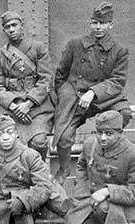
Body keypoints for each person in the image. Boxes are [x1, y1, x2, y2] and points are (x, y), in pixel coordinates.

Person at [53, 2, 132, 183]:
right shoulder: (75, 44)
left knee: (124, 113)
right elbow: (61, 73)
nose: (98, 27)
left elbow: (117, 81)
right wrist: (65, 96)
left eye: (102, 23)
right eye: (95, 23)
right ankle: (64, 169)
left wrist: (93, 92)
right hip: (74, 94)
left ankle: (106, 158)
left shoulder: (119, 50)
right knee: (64, 137)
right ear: (90, 23)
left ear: (110, 24)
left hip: (104, 96)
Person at [0, 115, 60, 224]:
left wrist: (23, 201)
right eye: (0, 133)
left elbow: (44, 186)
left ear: (17, 134)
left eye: (10, 132)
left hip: (24, 205)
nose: (5, 137)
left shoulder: (30, 155)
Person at [0, 11, 55, 160]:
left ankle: (39, 172)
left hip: (37, 107)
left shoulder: (38, 48)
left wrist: (28, 104)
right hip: (10, 108)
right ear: (4, 30)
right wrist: (14, 106)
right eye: (7, 27)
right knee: (7, 141)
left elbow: (46, 79)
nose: (11, 30)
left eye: (14, 25)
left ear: (21, 26)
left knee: (38, 142)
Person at [66, 110, 135, 224]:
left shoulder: (132, 153)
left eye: (109, 133)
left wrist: (107, 191)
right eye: (99, 132)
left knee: (103, 209)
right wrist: (81, 189)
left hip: (121, 205)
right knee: (73, 218)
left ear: (120, 133)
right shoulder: (90, 144)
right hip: (90, 199)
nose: (102, 138)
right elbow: (81, 166)